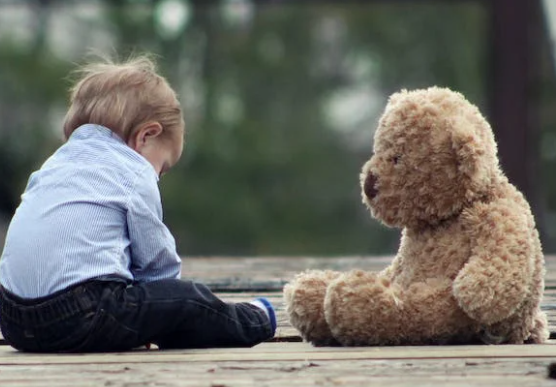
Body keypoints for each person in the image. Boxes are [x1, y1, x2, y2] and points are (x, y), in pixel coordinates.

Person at [0, 55, 276, 352]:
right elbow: (157, 264)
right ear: (146, 136)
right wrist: (166, 306)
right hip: (81, 315)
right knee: (189, 300)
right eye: (163, 167)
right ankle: (254, 319)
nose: (158, 176)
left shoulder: (53, 165)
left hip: (13, 319)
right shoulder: (132, 170)